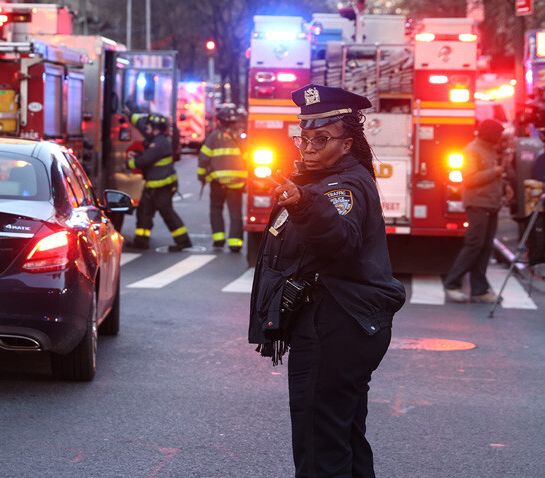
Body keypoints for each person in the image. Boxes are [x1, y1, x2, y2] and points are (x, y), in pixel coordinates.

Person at [249, 84, 406, 477]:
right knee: (343, 438)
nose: (309, 145)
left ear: (347, 144)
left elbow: (341, 239)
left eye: (322, 137)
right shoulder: (323, 179)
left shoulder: (341, 187)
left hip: (335, 326)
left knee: (319, 445)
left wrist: (304, 204)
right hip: (345, 324)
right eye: (304, 136)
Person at [443, 119, 514, 303]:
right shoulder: (472, 150)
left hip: (490, 204)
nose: (500, 139)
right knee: (475, 244)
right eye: (498, 134)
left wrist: (504, 185)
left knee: (485, 247)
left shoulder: (488, 148)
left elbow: (490, 174)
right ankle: (452, 284)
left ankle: (479, 289)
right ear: (491, 134)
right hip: (478, 204)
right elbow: (470, 179)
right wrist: (496, 172)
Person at [126, 113, 193, 252]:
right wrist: (131, 112)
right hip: (153, 186)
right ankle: (141, 241)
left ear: (155, 128)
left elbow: (145, 160)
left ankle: (183, 241)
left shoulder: (160, 143)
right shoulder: (158, 139)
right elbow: (142, 128)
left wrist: (130, 163)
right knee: (144, 213)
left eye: (150, 126)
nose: (147, 128)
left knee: (167, 213)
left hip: (161, 187)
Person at [198, 105, 247, 252]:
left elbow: (203, 158)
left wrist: (201, 176)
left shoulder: (213, 137)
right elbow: (248, 158)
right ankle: (235, 243)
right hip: (237, 184)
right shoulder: (240, 138)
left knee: (216, 209)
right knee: (236, 212)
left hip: (217, 183)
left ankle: (218, 240)